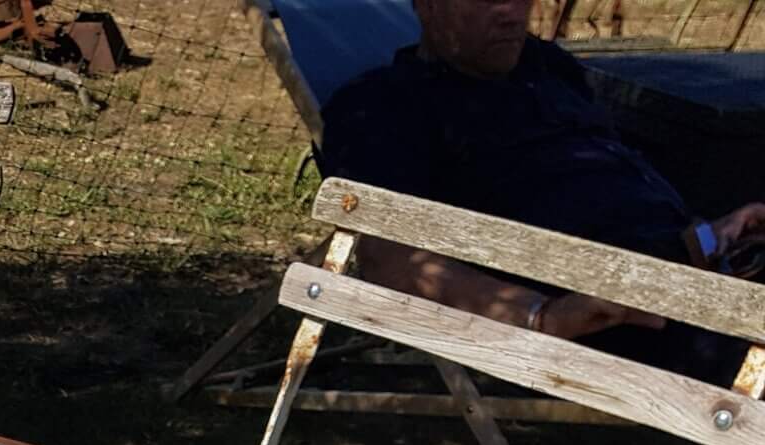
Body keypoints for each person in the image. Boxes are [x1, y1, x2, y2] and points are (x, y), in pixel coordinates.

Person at [320, 0, 763, 382]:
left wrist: (709, 236)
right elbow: (389, 260)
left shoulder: (548, 69)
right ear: (428, 5)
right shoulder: (384, 107)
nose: (512, 15)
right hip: (612, 320)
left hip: (685, 275)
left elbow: (613, 195)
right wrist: (544, 316)